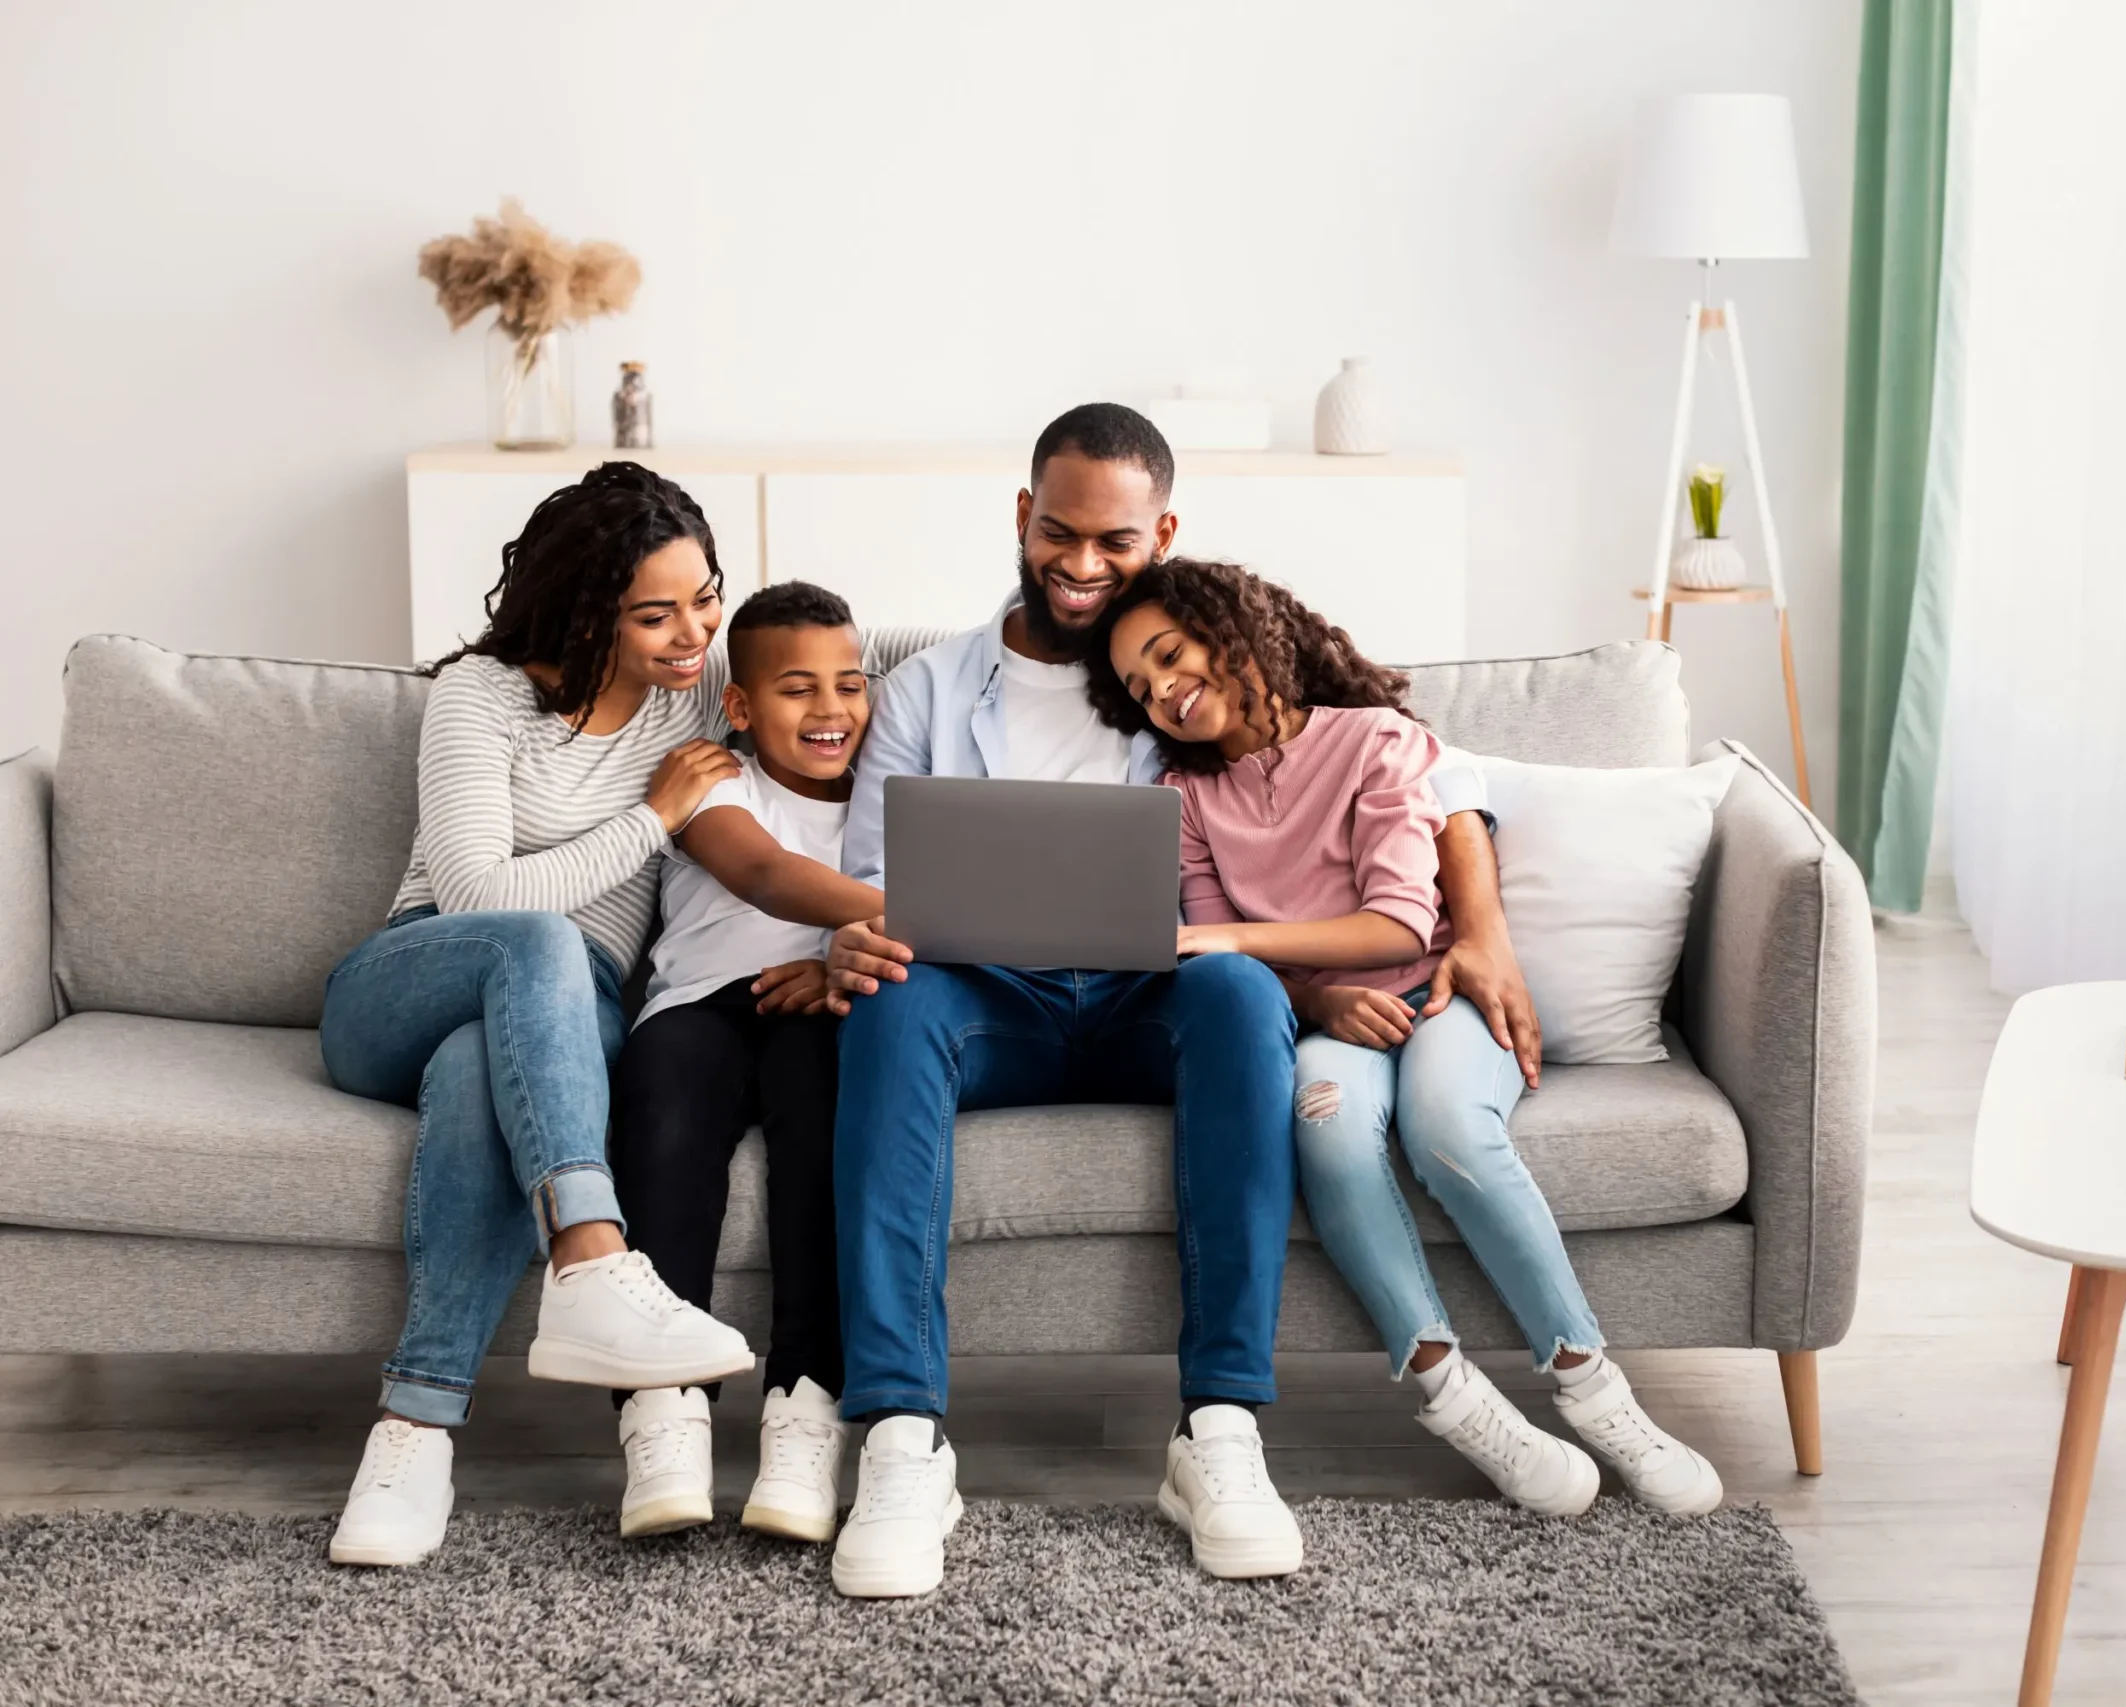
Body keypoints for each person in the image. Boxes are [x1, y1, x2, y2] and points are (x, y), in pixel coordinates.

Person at [819, 403, 1550, 1599]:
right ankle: (902, 1438)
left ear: (1162, 533)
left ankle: (1219, 1432)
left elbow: (1422, 759)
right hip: (984, 1005)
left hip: (1153, 992)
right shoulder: (927, 691)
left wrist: (1481, 927)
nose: (1083, 566)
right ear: (1023, 516)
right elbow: (870, 880)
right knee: (893, 1007)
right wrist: (858, 933)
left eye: (1116, 542)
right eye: (1059, 533)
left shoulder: (1201, 650)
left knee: (1234, 997)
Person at [1087, 558, 1724, 1519]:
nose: (1161, 689)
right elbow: (1233, 973)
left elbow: (1392, 922)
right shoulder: (1186, 797)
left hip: (1438, 991)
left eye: (1169, 654)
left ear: (1231, 629)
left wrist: (1230, 937)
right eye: (1139, 686)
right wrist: (1313, 998)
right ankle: (1452, 1395)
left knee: (1448, 1130)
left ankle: (1595, 1388)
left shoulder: (1376, 742)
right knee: (1329, 1130)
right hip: (1335, 1017)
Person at [321, 463, 760, 1568]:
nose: (692, 630)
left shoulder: (703, 688)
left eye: (704, 597)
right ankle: (593, 1258)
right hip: (404, 981)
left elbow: (844, 670)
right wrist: (657, 816)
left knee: (484, 1072)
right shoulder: (484, 696)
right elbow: (474, 894)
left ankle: (413, 1431)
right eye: (655, 613)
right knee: (534, 939)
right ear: (586, 607)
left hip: (561, 1029)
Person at [607, 581, 885, 1545]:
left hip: (820, 1006)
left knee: (826, 1131)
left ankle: (806, 1405)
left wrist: (835, 959)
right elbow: (763, 873)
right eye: (798, 689)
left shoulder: (892, 799)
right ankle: (663, 1407)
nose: (831, 711)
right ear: (739, 704)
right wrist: (938, 915)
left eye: (850, 684)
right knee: (665, 1113)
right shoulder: (711, 777)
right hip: (701, 1007)